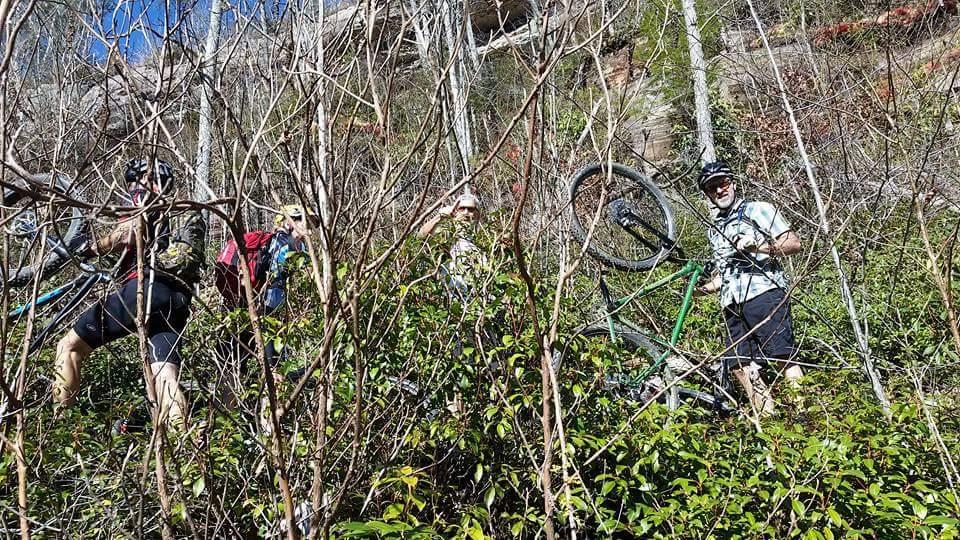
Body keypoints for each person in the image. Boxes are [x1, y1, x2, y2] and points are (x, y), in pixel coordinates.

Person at [54, 158, 192, 430]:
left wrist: (92, 248)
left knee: (68, 347)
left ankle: (56, 432)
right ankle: (183, 450)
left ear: (142, 178)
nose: (130, 186)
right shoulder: (170, 207)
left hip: (145, 287)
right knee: (165, 377)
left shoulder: (142, 196)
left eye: (131, 181)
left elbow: (130, 231)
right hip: (175, 298)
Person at [695, 161, 804, 417]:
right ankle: (769, 419)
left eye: (722, 183)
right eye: (712, 188)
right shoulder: (715, 229)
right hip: (731, 303)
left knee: (782, 355)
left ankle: (805, 414)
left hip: (765, 293)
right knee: (737, 364)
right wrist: (699, 290)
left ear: (732, 183)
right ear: (708, 195)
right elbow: (725, 276)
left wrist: (757, 246)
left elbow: (793, 244)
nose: (719, 191)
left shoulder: (758, 209)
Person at [418, 192, 488, 302]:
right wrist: (440, 217)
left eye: (470, 209)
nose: (466, 213)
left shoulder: (484, 240)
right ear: (455, 211)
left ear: (477, 214)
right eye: (462, 208)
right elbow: (421, 236)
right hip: (448, 301)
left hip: (475, 303)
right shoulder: (446, 234)